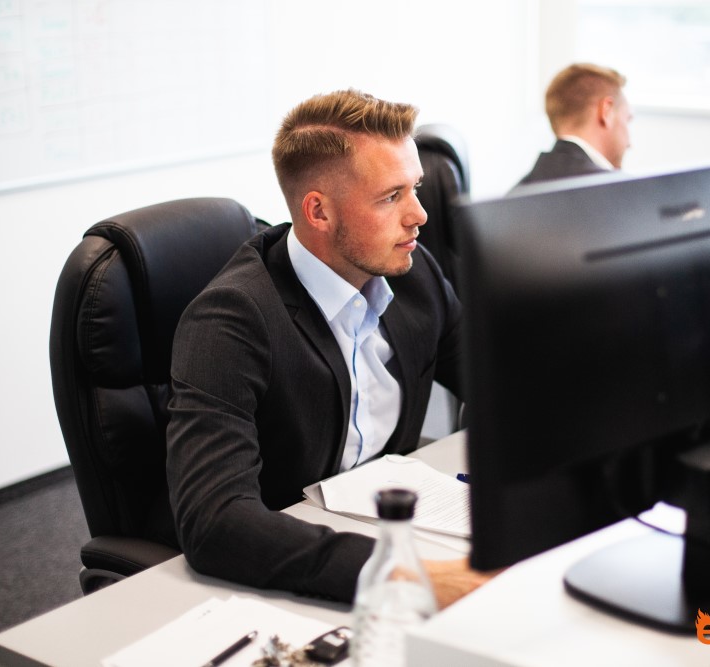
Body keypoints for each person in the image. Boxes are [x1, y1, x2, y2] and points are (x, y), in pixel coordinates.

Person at [165, 89, 492, 607]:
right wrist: (403, 577)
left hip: (397, 526)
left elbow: (500, 383)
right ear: (318, 211)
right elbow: (215, 523)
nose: (420, 216)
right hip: (277, 578)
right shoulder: (232, 320)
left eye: (416, 189)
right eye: (391, 197)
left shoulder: (414, 275)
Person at [514, 63, 633, 188]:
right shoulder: (625, 192)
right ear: (606, 112)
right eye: (627, 119)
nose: (630, 144)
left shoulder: (515, 194)